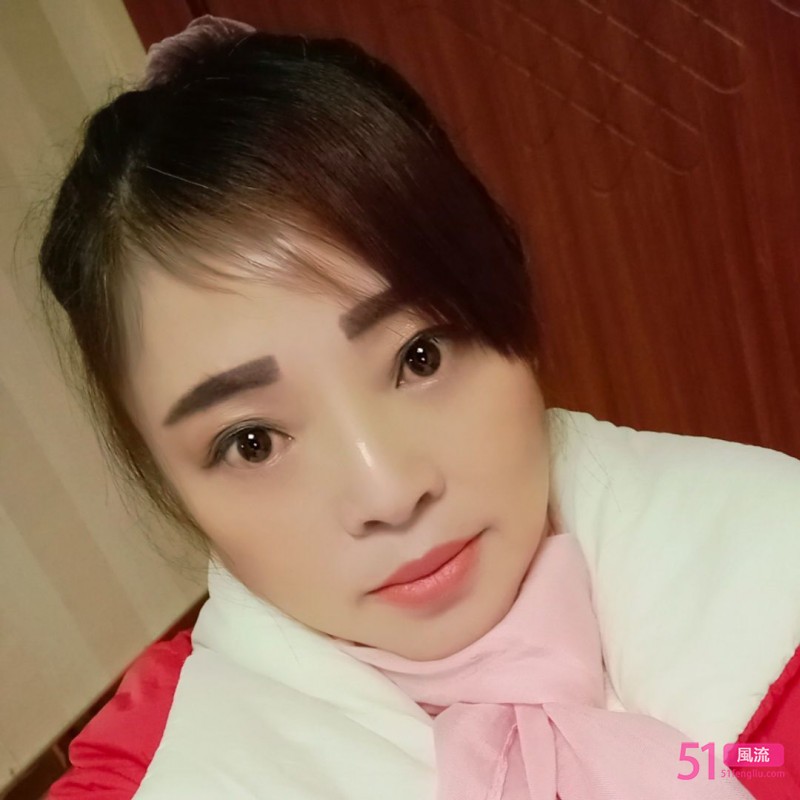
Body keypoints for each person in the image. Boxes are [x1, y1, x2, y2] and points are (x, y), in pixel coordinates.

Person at [38, 15, 792, 800]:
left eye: (419, 356)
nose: (390, 493)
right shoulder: (163, 768)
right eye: (253, 441)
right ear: (166, 481)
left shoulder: (772, 555)